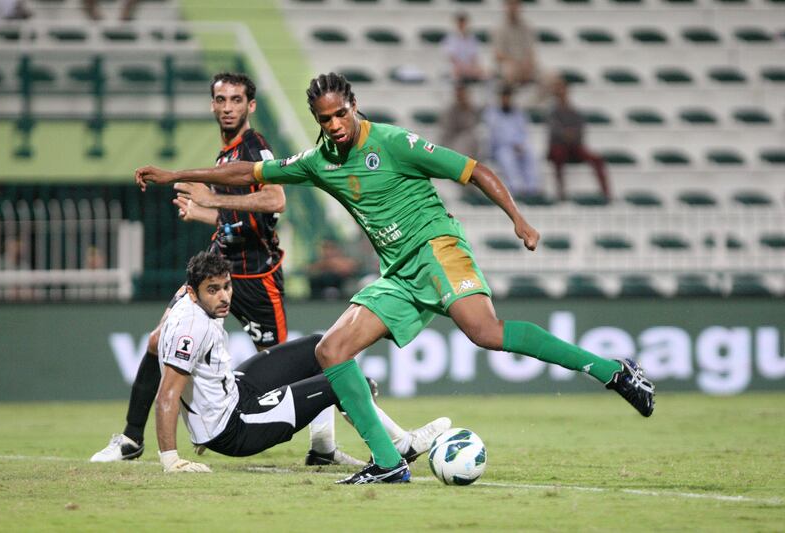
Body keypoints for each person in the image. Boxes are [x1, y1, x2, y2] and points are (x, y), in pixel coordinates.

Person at [134, 72, 656, 485]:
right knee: (331, 350)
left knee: (487, 334)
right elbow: (248, 174)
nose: (336, 123)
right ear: (317, 119)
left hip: (436, 250)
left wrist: (517, 218)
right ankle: (389, 463)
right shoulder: (318, 161)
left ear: (354, 107)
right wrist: (178, 175)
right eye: (325, 117)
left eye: (342, 113)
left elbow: (473, 170)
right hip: (398, 272)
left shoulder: (393, 142)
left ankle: (612, 371)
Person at [92, 72, 361, 467]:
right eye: (221, 99)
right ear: (212, 105)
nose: (228, 107)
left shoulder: (254, 147)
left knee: (298, 364)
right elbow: (234, 221)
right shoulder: (225, 154)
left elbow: (275, 200)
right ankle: (132, 438)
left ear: (251, 106)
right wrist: (203, 211)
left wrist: (212, 198)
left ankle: (323, 447)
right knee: (156, 342)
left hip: (255, 279)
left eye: (237, 100)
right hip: (218, 272)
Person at [155, 251, 450, 474]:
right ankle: (401, 445)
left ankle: (322, 449)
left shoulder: (185, 300)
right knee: (341, 382)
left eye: (226, 286)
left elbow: (156, 348)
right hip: (234, 426)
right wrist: (171, 459)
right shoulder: (192, 328)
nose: (224, 297)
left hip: (233, 392)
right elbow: (167, 394)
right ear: (194, 292)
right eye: (213, 289)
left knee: (319, 349)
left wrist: (198, 417)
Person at [546, 79, 611, 201]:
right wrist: (566, 134)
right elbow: (554, 130)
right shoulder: (553, 112)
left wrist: (570, 135)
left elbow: (580, 129)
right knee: (558, 156)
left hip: (574, 146)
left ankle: (606, 193)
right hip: (559, 146)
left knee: (596, 159)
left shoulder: (574, 111)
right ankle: (561, 192)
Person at [484, 85, 541, 197]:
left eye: (508, 96)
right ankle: (516, 188)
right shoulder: (492, 114)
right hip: (500, 148)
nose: (506, 99)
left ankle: (532, 187)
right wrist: (511, 144)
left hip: (518, 146)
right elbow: (496, 136)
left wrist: (520, 144)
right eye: (504, 96)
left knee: (530, 153)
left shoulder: (518, 113)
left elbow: (524, 132)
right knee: (506, 156)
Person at [494, 0, 557, 95]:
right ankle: (511, 103)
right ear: (506, 7)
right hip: (509, 65)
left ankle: (533, 105)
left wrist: (528, 64)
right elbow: (498, 54)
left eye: (515, 4)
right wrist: (516, 63)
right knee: (509, 71)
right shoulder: (499, 28)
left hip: (526, 65)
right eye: (510, 4)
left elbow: (531, 50)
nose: (513, 7)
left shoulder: (527, 26)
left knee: (551, 77)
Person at [439, 83, 481, 161]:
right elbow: (447, 130)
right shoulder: (450, 110)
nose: (461, 96)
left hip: (469, 141)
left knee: (472, 137)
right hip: (452, 140)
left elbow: (472, 125)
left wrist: (466, 109)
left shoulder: (472, 109)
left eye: (463, 93)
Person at [442, 12, 487, 84]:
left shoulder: (473, 39)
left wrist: (473, 68)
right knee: (456, 72)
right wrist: (464, 68)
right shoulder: (449, 39)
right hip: (455, 69)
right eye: (460, 22)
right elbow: (452, 58)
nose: (462, 25)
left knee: (485, 73)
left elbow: (474, 58)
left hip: (469, 68)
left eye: (463, 22)